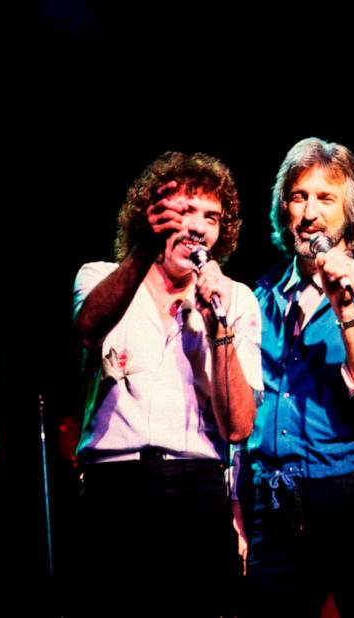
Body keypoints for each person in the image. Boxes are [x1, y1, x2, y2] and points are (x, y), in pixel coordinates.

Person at [238, 137, 354, 617]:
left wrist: (345, 310)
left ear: (350, 211)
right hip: (274, 503)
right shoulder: (257, 297)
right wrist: (236, 503)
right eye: (299, 196)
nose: (310, 213)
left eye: (326, 198)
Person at [71, 151, 260, 613]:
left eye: (211, 217)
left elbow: (238, 427)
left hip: (195, 487)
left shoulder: (237, 299)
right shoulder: (100, 277)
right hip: (113, 486)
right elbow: (88, 327)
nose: (198, 227)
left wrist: (218, 326)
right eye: (185, 211)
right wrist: (141, 250)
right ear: (152, 217)